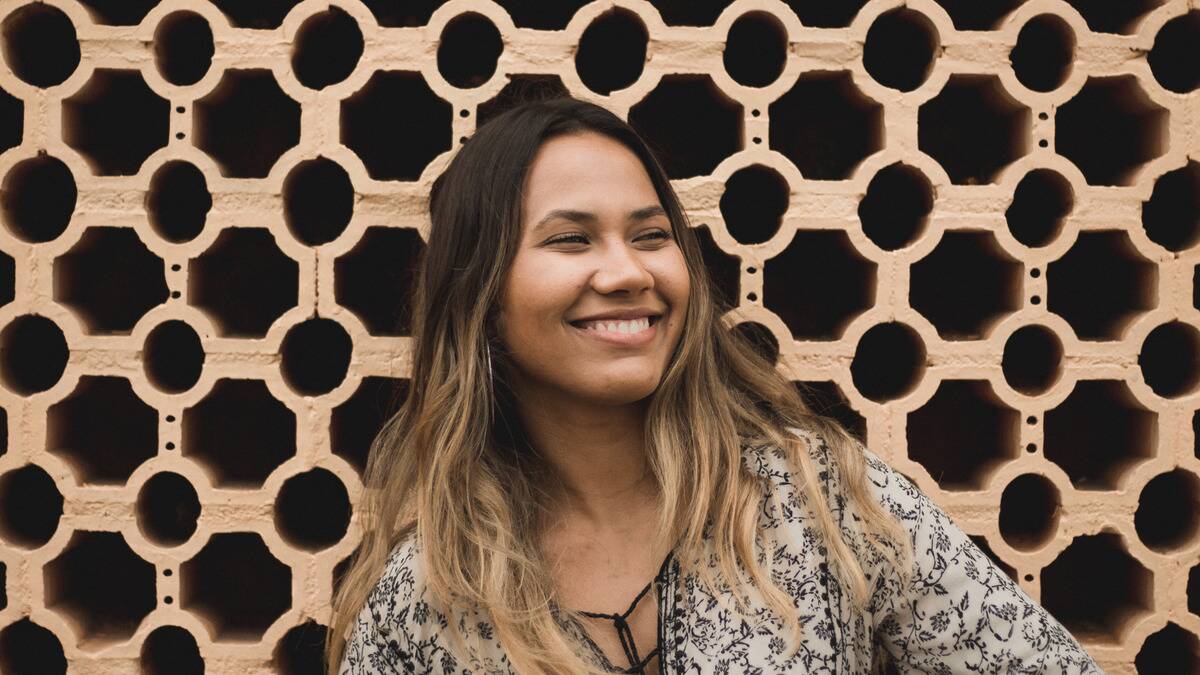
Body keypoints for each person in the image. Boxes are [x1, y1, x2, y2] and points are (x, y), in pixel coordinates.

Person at [326, 96, 1102, 674]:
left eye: (651, 235)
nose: (629, 272)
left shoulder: (817, 496)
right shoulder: (429, 594)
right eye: (570, 239)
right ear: (483, 298)